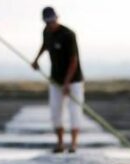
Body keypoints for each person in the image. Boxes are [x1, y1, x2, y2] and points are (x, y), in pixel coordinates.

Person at [32, 7, 84, 153]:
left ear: (57, 18)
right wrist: (36, 60)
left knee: (75, 111)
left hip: (73, 80)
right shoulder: (46, 32)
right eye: (48, 22)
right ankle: (60, 144)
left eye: (53, 20)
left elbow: (74, 61)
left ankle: (73, 145)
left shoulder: (68, 35)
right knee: (55, 111)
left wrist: (67, 83)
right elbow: (45, 45)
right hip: (55, 79)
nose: (51, 24)